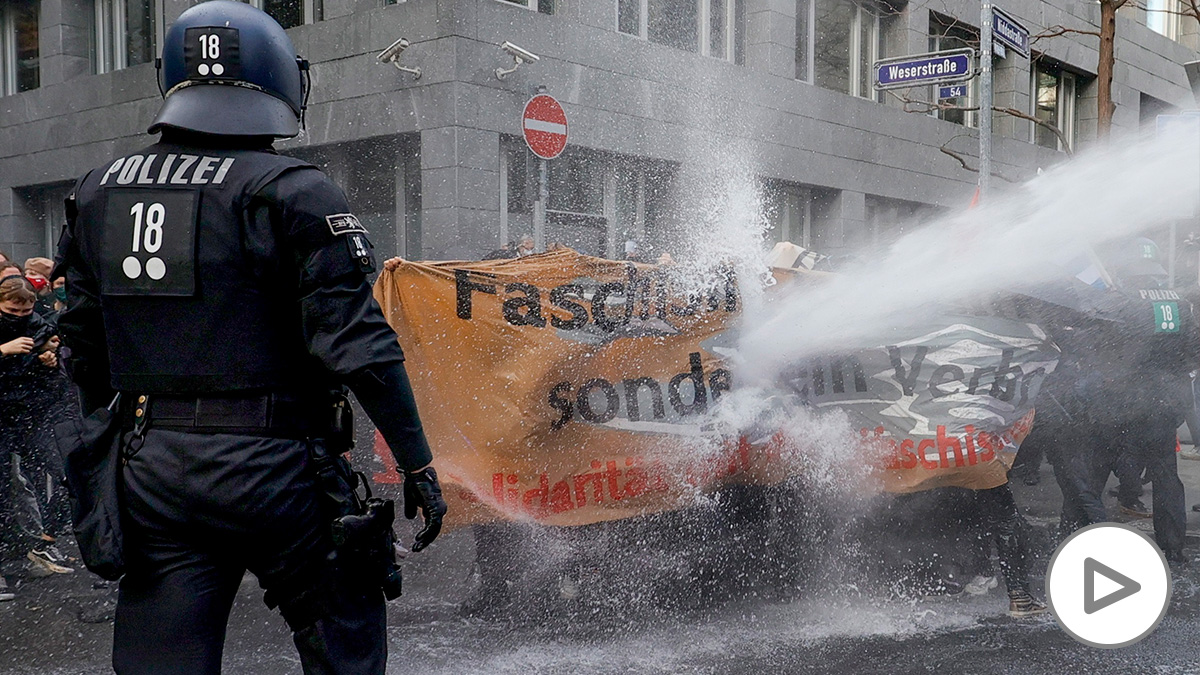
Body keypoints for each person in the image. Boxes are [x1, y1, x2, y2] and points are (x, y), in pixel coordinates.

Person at [55, 2, 446, 673]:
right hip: (279, 465)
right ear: (280, 82)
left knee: (162, 660)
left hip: (151, 463)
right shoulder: (294, 191)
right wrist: (417, 462)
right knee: (344, 646)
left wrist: (110, 448)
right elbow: (362, 348)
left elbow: (83, 347)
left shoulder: (98, 194)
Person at [0, 274, 75, 598]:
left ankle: (43, 542)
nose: (19, 317)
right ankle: (7, 562)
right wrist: (3, 349)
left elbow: (57, 366)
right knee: (3, 494)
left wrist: (48, 359)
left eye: (25, 311)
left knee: (68, 476)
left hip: (33, 415)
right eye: (11, 311)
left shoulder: (40, 325)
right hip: (2, 416)